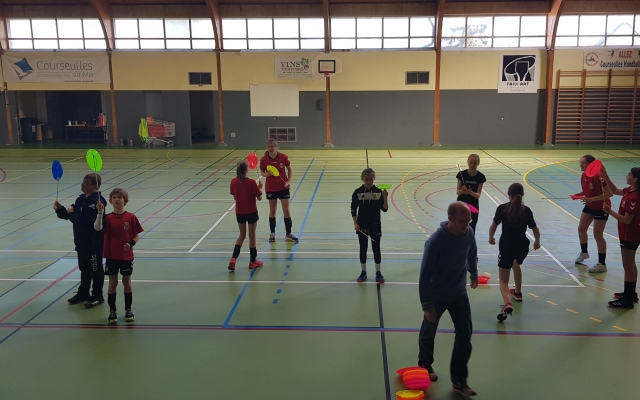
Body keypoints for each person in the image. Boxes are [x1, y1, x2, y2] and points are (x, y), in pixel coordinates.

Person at [418, 202, 478, 397]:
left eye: (469, 221)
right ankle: (425, 363)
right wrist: (427, 305)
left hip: (459, 293)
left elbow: (472, 252)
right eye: (463, 221)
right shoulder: (436, 242)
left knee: (465, 334)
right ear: (450, 219)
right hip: (437, 295)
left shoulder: (468, 233)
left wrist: (473, 274)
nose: (467, 226)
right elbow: (424, 275)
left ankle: (459, 381)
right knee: (429, 331)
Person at [488, 183, 541, 321]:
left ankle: (507, 303)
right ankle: (517, 292)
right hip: (522, 246)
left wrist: (491, 238)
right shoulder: (526, 210)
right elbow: (535, 230)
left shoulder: (502, 208)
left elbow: (493, 226)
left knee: (503, 280)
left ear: (508, 194)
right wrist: (537, 242)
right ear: (522, 195)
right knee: (516, 265)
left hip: (507, 246)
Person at [54, 174, 107, 308]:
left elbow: (82, 220)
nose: (82, 185)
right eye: (82, 182)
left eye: (85, 183)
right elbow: (69, 215)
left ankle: (97, 295)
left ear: (94, 186)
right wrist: (60, 209)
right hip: (81, 241)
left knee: (95, 269)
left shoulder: (96, 202)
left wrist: (72, 213)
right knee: (84, 268)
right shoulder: (81, 199)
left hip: (93, 243)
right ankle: (83, 292)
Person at [94, 188, 143, 324]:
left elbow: (136, 236)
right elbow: (97, 228)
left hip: (126, 256)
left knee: (126, 282)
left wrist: (130, 244)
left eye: (120, 197)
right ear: (110, 201)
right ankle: (112, 311)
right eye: (114, 197)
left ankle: (128, 309)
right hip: (111, 256)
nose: (117, 199)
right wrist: (100, 212)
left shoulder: (131, 217)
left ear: (125, 201)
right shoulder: (107, 218)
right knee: (113, 283)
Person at [600, 166, 640, 309]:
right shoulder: (630, 190)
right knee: (631, 264)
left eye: (629, 175)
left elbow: (627, 220)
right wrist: (605, 175)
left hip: (630, 234)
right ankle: (631, 294)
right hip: (627, 233)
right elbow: (615, 190)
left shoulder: (635, 197)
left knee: (627, 265)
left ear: (635, 179)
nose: (626, 176)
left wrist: (609, 211)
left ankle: (627, 300)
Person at [573, 155, 612, 273]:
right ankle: (584, 252)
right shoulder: (584, 175)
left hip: (602, 207)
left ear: (591, 165)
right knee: (581, 229)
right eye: (580, 162)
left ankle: (602, 264)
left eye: (583, 163)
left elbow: (609, 193)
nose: (580, 165)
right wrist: (579, 194)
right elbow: (588, 190)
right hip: (590, 205)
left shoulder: (598, 177)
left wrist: (591, 199)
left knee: (598, 235)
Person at [351, 168, 389, 283]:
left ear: (374, 178)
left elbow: (385, 209)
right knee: (363, 248)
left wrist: (385, 197)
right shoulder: (357, 192)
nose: (368, 181)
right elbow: (353, 209)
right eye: (366, 179)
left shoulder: (378, 192)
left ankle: (378, 273)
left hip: (375, 225)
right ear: (362, 179)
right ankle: (363, 272)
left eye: (371, 179)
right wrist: (355, 223)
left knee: (376, 248)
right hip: (362, 225)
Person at [260, 139, 298, 243]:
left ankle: (288, 234)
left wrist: (289, 181)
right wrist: (266, 174)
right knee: (273, 210)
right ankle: (272, 233)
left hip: (283, 187)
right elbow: (262, 172)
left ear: (276, 147)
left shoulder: (283, 157)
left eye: (272, 146)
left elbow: (289, 169)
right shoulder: (264, 160)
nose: (270, 148)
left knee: (286, 211)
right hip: (271, 188)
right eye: (269, 147)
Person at [229, 160, 264, 270]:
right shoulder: (252, 182)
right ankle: (253, 261)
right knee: (252, 236)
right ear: (247, 170)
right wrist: (260, 188)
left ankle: (233, 258)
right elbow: (259, 197)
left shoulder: (233, 182)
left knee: (242, 235)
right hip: (251, 212)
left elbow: (235, 197)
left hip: (240, 213)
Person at [456, 154, 486, 236]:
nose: (472, 165)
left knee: (472, 225)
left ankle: (470, 241)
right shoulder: (461, 174)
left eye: (475, 163)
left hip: (473, 204)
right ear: (468, 162)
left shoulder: (481, 177)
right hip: (461, 204)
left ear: (478, 163)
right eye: (471, 163)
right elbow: (457, 192)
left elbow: (478, 195)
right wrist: (462, 191)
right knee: (459, 225)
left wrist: (470, 192)